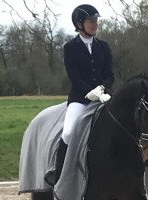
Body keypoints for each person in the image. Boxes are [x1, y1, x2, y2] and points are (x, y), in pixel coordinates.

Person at [55, 4, 114, 183]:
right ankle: (59, 176)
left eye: (96, 21)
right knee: (68, 132)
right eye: (91, 21)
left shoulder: (103, 46)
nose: (95, 24)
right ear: (80, 23)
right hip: (80, 98)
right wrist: (90, 92)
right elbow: (75, 77)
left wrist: (102, 89)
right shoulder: (70, 48)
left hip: (103, 96)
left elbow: (109, 74)